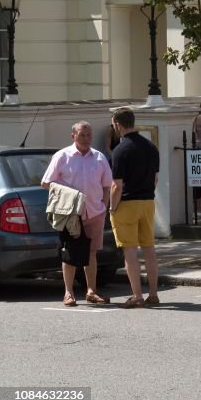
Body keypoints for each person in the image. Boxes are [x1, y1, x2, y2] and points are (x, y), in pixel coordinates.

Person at [41, 122, 113, 307]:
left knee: (91, 253)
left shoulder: (99, 158)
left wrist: (103, 206)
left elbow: (107, 185)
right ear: (73, 136)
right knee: (70, 254)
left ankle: (91, 291)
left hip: (94, 213)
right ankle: (69, 293)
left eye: (89, 135)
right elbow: (47, 182)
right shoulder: (62, 156)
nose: (87, 139)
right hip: (70, 214)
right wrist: (69, 195)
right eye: (82, 135)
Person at [109, 107, 161, 308]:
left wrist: (112, 208)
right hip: (148, 202)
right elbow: (155, 178)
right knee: (149, 248)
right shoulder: (151, 147)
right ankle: (154, 294)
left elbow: (117, 185)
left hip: (127, 203)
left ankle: (137, 295)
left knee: (130, 251)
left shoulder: (120, 150)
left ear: (118, 124)